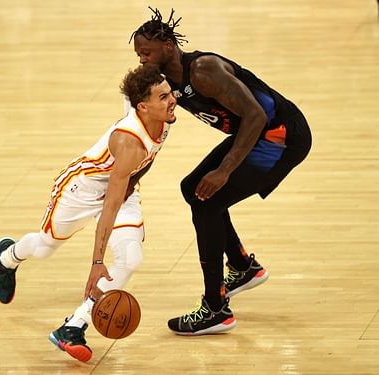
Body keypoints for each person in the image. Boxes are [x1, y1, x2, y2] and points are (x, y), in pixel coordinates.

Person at [130, 7, 312, 335]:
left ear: (168, 46)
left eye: (146, 52)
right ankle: (243, 266)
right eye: (138, 54)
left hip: (279, 136)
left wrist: (225, 170)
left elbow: (255, 116)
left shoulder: (203, 70)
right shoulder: (169, 81)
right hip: (254, 134)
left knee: (207, 200)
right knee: (192, 188)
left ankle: (216, 307)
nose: (142, 59)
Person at [0, 64, 177, 362]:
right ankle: (7, 258)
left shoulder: (162, 115)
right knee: (44, 247)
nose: (173, 99)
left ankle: (74, 325)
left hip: (124, 186)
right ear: (143, 106)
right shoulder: (129, 142)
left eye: (170, 93)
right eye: (164, 96)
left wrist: (135, 181)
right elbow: (109, 207)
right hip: (82, 190)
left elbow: (149, 156)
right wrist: (97, 262)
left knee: (131, 258)